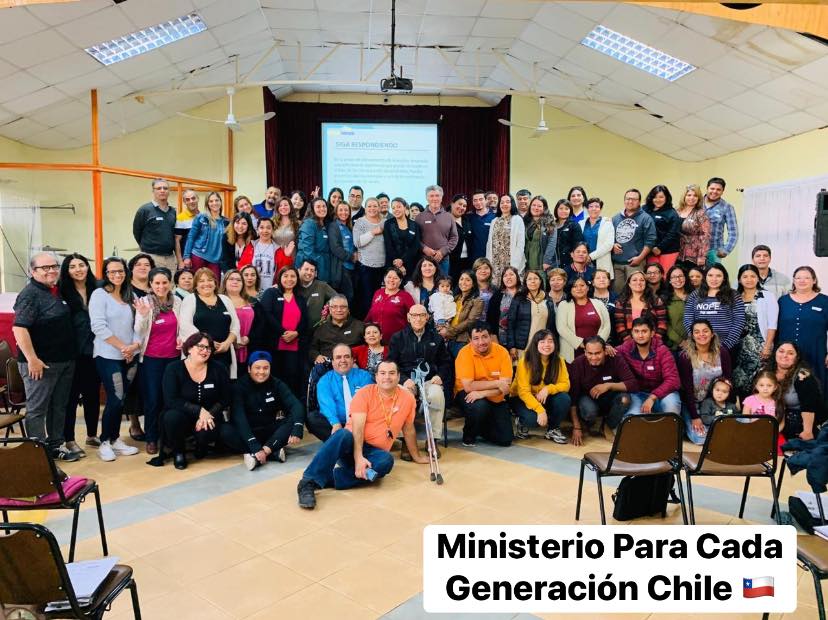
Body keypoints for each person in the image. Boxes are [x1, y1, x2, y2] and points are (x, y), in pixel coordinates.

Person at [297, 360, 429, 509]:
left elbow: (409, 429)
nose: (387, 377)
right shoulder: (364, 393)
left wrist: (417, 456)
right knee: (343, 435)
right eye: (383, 373)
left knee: (385, 462)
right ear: (376, 377)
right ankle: (308, 482)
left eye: (392, 373)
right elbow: (357, 428)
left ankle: (327, 479)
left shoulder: (408, 398)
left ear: (399, 377)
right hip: (351, 445)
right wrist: (358, 457)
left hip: (374, 454)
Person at [13, 252, 79, 461]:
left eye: (54, 266)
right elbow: (19, 329)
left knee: (58, 407)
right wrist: (32, 359)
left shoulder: (54, 291)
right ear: (33, 271)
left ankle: (55, 446)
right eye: (45, 268)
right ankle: (38, 455)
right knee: (37, 410)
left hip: (64, 361)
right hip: (40, 364)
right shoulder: (30, 294)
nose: (51, 270)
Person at [89, 256, 141, 462]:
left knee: (121, 399)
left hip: (130, 355)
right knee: (115, 396)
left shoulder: (131, 295)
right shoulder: (99, 295)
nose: (117, 275)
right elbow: (98, 326)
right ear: (106, 274)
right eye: (112, 272)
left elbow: (140, 324)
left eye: (120, 271)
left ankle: (115, 438)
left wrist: (134, 346)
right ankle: (104, 441)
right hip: (108, 354)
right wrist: (122, 347)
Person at [221, 351, 305, 470]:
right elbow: (239, 417)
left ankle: (262, 452)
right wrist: (254, 444)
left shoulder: (277, 384)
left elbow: (296, 405)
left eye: (266, 368)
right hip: (247, 432)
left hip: (269, 431)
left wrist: (298, 426)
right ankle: (271, 452)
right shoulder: (239, 386)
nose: (261, 372)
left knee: (294, 419)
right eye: (257, 368)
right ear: (249, 369)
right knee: (225, 431)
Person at [161, 332, 231, 469]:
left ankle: (202, 446)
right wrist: (199, 411)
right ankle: (178, 452)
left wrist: (209, 414)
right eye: (201, 347)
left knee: (209, 430)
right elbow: (171, 400)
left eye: (208, 348)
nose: (205, 351)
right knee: (171, 417)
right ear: (189, 348)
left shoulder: (218, 368)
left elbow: (226, 397)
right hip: (182, 413)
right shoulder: (173, 369)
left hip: (210, 415)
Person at [388, 304, 452, 452]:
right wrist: (403, 379)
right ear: (408, 317)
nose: (418, 318)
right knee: (404, 396)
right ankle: (406, 440)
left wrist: (440, 376)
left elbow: (446, 362)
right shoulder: (398, 338)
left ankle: (433, 438)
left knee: (436, 394)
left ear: (427, 318)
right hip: (406, 380)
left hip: (429, 379)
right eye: (414, 315)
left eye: (422, 315)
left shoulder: (436, 338)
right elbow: (391, 364)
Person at [134, 267, 181, 455]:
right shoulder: (144, 302)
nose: (161, 287)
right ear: (151, 285)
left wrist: (182, 340)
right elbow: (138, 330)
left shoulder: (177, 301)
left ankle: (168, 437)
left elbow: (183, 326)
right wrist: (144, 315)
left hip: (174, 359)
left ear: (170, 283)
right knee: (153, 400)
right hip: (152, 360)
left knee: (170, 399)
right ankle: (152, 438)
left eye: (164, 282)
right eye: (157, 283)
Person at [59, 253, 100, 458]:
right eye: (72, 266)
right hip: (72, 352)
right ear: (67, 271)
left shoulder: (98, 287)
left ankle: (92, 435)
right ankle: (69, 439)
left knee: (92, 394)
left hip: (95, 350)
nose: (78, 269)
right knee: (71, 398)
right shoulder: (61, 291)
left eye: (81, 265)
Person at [567, 336, 636, 446]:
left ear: (605, 351)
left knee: (625, 399)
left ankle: (608, 425)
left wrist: (609, 386)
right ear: (585, 352)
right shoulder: (577, 364)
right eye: (590, 353)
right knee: (589, 411)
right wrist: (576, 426)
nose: (593, 357)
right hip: (588, 399)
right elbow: (573, 398)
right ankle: (591, 424)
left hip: (610, 398)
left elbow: (632, 383)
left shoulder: (615, 358)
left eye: (598, 353)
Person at [454, 322, 514, 447]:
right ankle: (469, 435)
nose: (481, 342)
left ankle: (480, 428)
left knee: (505, 440)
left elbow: (506, 388)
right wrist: (497, 383)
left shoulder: (502, 352)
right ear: (470, 340)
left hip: (493, 396)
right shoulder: (464, 353)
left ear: (491, 336)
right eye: (476, 338)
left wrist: (483, 393)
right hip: (468, 394)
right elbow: (468, 386)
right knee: (480, 407)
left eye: (484, 336)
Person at [255, 266, 308, 397]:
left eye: (293, 276)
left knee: (292, 377)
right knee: (275, 376)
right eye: (286, 276)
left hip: (294, 345)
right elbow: (267, 315)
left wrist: (296, 333)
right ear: (279, 278)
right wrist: (283, 333)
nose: (289, 279)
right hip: (274, 343)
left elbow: (305, 320)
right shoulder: (271, 293)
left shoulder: (300, 298)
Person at [677, 319, 733, 444]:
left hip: (716, 403)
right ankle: (686, 424)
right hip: (693, 403)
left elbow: (728, 381)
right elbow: (687, 389)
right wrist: (695, 417)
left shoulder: (722, 353)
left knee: (727, 434)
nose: (701, 335)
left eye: (705, 331)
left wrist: (726, 407)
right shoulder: (685, 357)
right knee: (700, 438)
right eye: (697, 332)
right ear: (692, 336)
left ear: (712, 334)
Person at [510, 329, 571, 443]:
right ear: (535, 344)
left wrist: (548, 389)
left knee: (564, 398)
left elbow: (566, 385)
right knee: (532, 420)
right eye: (542, 342)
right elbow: (523, 392)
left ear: (555, 344)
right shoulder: (525, 362)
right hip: (521, 398)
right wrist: (540, 410)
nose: (547, 345)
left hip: (543, 396)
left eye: (550, 341)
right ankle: (521, 422)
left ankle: (552, 429)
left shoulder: (559, 361)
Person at [615, 317, 681, 421]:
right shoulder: (626, 348)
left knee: (672, 407)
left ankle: (668, 434)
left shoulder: (662, 351)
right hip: (637, 393)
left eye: (644, 331)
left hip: (662, 393)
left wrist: (652, 397)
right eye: (636, 331)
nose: (640, 335)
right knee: (632, 420)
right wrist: (606, 347)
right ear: (631, 333)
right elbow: (611, 353)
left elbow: (673, 380)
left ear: (652, 333)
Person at [179, 267, 240, 377]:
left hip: (223, 354)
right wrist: (208, 342)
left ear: (215, 283)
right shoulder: (190, 299)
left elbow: (235, 325)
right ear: (196, 285)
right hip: (199, 354)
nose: (206, 283)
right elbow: (185, 325)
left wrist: (227, 343)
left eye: (210, 280)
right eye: (201, 281)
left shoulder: (225, 299)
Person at [308, 343, 374, 441]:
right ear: (333, 362)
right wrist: (335, 423)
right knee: (312, 418)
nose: (343, 360)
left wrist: (355, 424)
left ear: (352, 360)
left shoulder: (365, 376)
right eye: (338, 357)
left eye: (347, 356)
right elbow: (326, 404)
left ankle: (340, 443)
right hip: (336, 423)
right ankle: (344, 442)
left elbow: (368, 403)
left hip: (361, 421)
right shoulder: (325, 380)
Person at [777, 265, 828, 392]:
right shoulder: (783, 301)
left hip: (815, 353)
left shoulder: (824, 301)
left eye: (806, 277)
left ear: (814, 280)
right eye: (798, 278)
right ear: (794, 281)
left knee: (815, 388)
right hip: (786, 355)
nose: (802, 280)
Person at [763, 341, 826, 440]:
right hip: (773, 418)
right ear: (775, 353)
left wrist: (807, 431)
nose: (785, 355)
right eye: (781, 351)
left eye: (790, 353)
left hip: (799, 421)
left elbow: (809, 406)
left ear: (796, 358)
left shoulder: (803, 376)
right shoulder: (766, 373)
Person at [733, 264, 778, 399]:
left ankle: (759, 417)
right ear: (739, 280)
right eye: (745, 276)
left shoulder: (767, 296)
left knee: (759, 383)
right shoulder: (735, 296)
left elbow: (772, 324)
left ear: (758, 278)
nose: (749, 279)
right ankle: (742, 414)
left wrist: (767, 346)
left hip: (759, 347)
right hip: (738, 347)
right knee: (738, 382)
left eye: (753, 276)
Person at [683, 263, 745, 352]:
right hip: (700, 346)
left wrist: (726, 346)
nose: (714, 279)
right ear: (705, 277)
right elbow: (688, 319)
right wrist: (697, 341)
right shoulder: (695, 295)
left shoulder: (734, 295)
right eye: (710, 275)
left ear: (724, 278)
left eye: (718, 276)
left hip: (727, 347)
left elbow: (739, 321)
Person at [556, 277, 611, 363]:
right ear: (570, 289)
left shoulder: (599, 304)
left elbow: (607, 326)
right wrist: (581, 343)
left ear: (588, 288)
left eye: (582, 285)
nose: (579, 288)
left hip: (596, 350)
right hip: (573, 350)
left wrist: (597, 344)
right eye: (575, 286)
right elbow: (562, 328)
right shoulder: (564, 305)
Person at [611, 189, 656, 293]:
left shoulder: (646, 218)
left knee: (636, 293)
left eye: (634, 199)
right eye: (628, 199)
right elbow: (609, 237)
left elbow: (650, 241)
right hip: (617, 263)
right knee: (618, 293)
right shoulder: (615, 218)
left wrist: (640, 258)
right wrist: (613, 245)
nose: (630, 201)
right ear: (624, 200)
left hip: (635, 263)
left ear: (639, 202)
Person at [506, 270, 557, 361]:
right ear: (525, 282)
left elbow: (552, 326)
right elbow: (510, 323)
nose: (533, 281)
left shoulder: (548, 300)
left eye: (536, 278)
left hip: (542, 345)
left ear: (540, 281)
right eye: (529, 279)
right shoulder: (519, 298)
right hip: (522, 346)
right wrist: (512, 346)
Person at [132, 178, 177, 272]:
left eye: (165, 188)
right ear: (153, 191)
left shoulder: (173, 211)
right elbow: (137, 232)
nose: (162, 190)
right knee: (152, 285)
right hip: (152, 257)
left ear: (169, 191)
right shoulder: (144, 210)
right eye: (159, 188)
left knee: (170, 285)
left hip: (170, 258)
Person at [182, 191, 229, 281]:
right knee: (198, 284)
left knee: (215, 285)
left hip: (216, 260)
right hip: (199, 256)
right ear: (207, 204)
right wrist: (186, 256)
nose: (214, 203)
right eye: (211, 201)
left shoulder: (226, 222)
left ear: (220, 202)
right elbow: (191, 237)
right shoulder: (201, 218)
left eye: (216, 200)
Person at [353, 197, 387, 316]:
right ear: (365, 208)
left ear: (379, 207)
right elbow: (357, 242)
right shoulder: (360, 222)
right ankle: (367, 325)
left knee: (380, 298)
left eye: (375, 206)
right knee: (367, 299)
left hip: (383, 266)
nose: (372, 208)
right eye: (369, 206)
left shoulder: (385, 221)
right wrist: (373, 232)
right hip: (366, 266)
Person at [308, 294, 364, 364]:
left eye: (343, 307)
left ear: (348, 310)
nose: (339, 310)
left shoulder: (360, 326)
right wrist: (317, 356)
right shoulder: (321, 329)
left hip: (353, 366)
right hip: (328, 366)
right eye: (334, 307)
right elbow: (312, 349)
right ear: (330, 310)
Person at [439, 270, 484, 358]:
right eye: (461, 279)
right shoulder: (454, 298)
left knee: (461, 369)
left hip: (462, 341)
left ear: (473, 283)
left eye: (467, 280)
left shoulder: (478, 301)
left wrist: (449, 332)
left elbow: (470, 322)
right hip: (447, 339)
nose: (463, 282)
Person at [613, 271, 667, 343]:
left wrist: (654, 341)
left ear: (646, 283)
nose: (638, 282)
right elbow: (620, 326)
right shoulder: (621, 303)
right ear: (629, 284)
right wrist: (631, 343)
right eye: (634, 280)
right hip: (628, 344)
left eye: (642, 280)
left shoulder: (656, 301)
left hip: (653, 343)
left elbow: (662, 324)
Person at [364, 266, 415, 341]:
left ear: (400, 281)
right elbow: (371, 313)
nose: (391, 280)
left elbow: (414, 316)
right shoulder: (378, 293)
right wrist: (364, 326)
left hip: (398, 341)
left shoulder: (405, 296)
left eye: (395, 278)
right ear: (384, 278)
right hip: (376, 340)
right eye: (389, 277)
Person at [417, 184, 458, 275]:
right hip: (425, 259)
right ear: (427, 198)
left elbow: (454, 238)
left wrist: (443, 251)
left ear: (441, 197)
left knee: (442, 285)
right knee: (426, 285)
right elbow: (416, 239)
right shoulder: (419, 217)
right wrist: (424, 248)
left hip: (443, 259)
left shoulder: (449, 216)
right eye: (431, 196)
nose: (434, 198)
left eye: (437, 195)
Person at [220, 270, 254, 374]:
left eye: (238, 280)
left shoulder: (252, 301)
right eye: (231, 279)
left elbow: (260, 324)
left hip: (249, 346)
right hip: (227, 347)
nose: (235, 282)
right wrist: (232, 340)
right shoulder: (218, 301)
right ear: (225, 282)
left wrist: (249, 338)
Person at [487, 193, 525, 285]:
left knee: (511, 285)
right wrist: (489, 262)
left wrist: (515, 265)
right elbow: (489, 243)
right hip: (496, 263)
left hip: (511, 261)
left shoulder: (517, 219)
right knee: (496, 287)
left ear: (512, 204)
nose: (504, 204)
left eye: (507, 202)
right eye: (502, 202)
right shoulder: (494, 221)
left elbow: (520, 244)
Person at [643, 184, 681, 272]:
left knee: (665, 276)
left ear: (666, 198)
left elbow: (673, 233)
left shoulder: (672, 213)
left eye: (661, 197)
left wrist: (660, 248)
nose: (658, 200)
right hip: (650, 250)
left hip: (668, 250)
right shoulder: (645, 210)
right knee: (652, 276)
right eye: (655, 197)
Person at [383, 196, 421, 279]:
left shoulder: (414, 225)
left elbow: (415, 246)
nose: (396, 209)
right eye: (393, 208)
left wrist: (402, 260)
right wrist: (398, 263)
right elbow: (388, 245)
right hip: (393, 264)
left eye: (399, 207)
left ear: (405, 207)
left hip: (411, 264)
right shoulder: (388, 224)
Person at [296, 197, 332, 283]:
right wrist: (320, 261)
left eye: (324, 206)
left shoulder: (324, 224)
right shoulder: (309, 223)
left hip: (321, 265)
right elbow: (307, 249)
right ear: (312, 209)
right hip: (309, 265)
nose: (322, 209)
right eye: (318, 207)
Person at [703, 177, 737, 265]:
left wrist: (726, 250)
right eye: (712, 188)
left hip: (713, 251)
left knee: (712, 277)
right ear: (707, 188)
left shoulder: (727, 207)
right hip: (692, 251)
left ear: (723, 191)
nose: (714, 191)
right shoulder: (696, 203)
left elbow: (733, 232)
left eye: (718, 189)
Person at [238, 217, 278, 290]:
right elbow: (241, 266)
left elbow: (282, 271)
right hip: (251, 290)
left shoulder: (277, 249)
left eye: (268, 228)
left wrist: (287, 256)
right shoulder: (251, 246)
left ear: (272, 230)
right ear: (257, 230)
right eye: (262, 227)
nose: (265, 231)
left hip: (270, 290)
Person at [295, 258, 336, 329]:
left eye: (312, 270)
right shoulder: (293, 285)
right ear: (299, 270)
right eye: (306, 269)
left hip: (317, 330)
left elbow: (338, 298)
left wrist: (326, 309)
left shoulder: (322, 286)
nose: (309, 273)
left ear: (315, 274)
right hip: (295, 330)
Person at [328, 202, 357, 301]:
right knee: (347, 296)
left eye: (346, 210)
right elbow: (335, 248)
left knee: (352, 296)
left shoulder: (350, 226)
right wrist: (352, 257)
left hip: (352, 267)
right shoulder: (333, 226)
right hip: (342, 267)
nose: (343, 212)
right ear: (336, 212)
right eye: (340, 210)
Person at [523, 195, 556, 281]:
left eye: (539, 206)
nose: (536, 208)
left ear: (544, 208)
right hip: (527, 261)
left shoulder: (550, 223)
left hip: (542, 261)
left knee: (541, 284)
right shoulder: (525, 221)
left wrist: (547, 261)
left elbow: (552, 243)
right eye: (534, 205)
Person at [676, 184, 710, 267]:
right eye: (689, 195)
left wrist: (702, 256)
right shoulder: (676, 211)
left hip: (694, 256)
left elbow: (705, 236)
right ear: (684, 196)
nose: (691, 198)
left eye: (695, 196)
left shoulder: (701, 213)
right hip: (676, 253)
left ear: (698, 198)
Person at [580, 197, 614, 276]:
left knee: (601, 283)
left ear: (600, 209)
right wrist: (584, 257)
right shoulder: (581, 223)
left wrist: (591, 257)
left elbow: (609, 244)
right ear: (587, 209)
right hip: (583, 261)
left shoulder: (607, 223)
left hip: (601, 260)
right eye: (591, 206)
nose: (594, 209)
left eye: (597, 206)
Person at [547, 199, 584, 271]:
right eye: (561, 208)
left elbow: (578, 245)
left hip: (569, 264)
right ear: (556, 210)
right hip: (552, 264)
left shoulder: (574, 225)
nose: (563, 211)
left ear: (570, 211)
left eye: (566, 209)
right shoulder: (551, 225)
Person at [486, 266, 520, 344]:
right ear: (502, 279)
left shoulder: (524, 294)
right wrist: (494, 337)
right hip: (501, 339)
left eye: (511, 274)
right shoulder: (497, 295)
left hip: (521, 338)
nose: (508, 277)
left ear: (517, 277)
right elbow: (491, 319)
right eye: (505, 276)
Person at [663, 265, 691, 351]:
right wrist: (681, 342)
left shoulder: (694, 296)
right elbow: (664, 323)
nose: (678, 279)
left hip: (696, 344)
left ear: (685, 278)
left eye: (680, 276)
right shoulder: (664, 299)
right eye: (674, 277)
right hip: (673, 346)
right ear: (670, 280)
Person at [448, 193, 473, 283]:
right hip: (451, 262)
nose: (462, 207)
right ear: (452, 203)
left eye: (464, 206)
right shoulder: (444, 219)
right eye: (459, 204)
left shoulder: (467, 220)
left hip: (467, 261)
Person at [174, 189, 201, 269]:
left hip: (200, 259)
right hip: (187, 261)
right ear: (184, 202)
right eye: (188, 199)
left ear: (197, 199)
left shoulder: (203, 217)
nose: (191, 201)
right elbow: (177, 241)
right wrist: (180, 261)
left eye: (193, 198)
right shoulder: (180, 218)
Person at [467, 190, 496, 262]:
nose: (478, 202)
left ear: (486, 200)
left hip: (490, 257)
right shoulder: (469, 217)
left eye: (481, 199)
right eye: (475, 200)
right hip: (473, 258)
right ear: (473, 202)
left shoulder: (495, 217)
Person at [273, 196, 299, 271]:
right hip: (276, 260)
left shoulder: (298, 224)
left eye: (286, 205)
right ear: (277, 208)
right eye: (280, 205)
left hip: (292, 259)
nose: (283, 207)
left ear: (290, 207)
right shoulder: (272, 223)